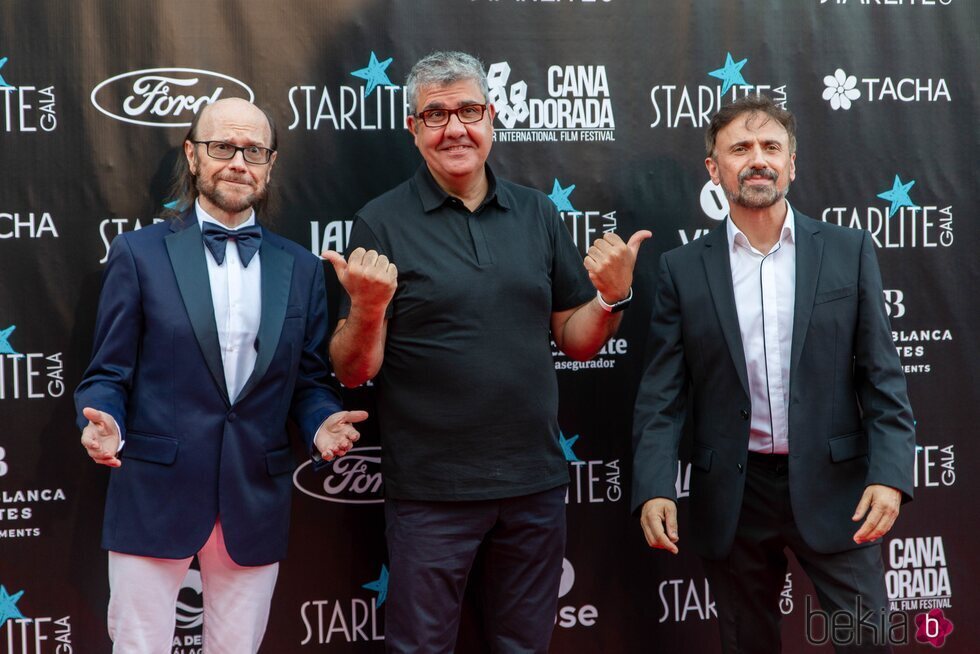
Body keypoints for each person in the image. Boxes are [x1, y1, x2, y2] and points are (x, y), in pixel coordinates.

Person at [321, 51, 649, 653]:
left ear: (493, 117)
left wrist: (610, 298)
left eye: (469, 110)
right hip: (430, 493)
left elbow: (576, 343)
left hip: (534, 486)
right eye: (436, 114)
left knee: (524, 646)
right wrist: (368, 309)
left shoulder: (538, 213)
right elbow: (354, 369)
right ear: (413, 128)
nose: (455, 128)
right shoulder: (380, 222)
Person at [75, 97, 366, 654]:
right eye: (222, 147)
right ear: (192, 155)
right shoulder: (138, 255)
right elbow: (107, 372)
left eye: (253, 150)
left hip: (253, 494)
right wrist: (103, 420)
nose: (238, 161)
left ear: (270, 163)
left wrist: (322, 422)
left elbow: (307, 380)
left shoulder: (301, 268)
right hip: (154, 490)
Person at [632, 95, 915, 653]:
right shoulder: (682, 269)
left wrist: (891, 473)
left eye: (770, 147)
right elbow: (662, 395)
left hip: (837, 488)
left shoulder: (847, 250)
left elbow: (882, 376)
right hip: (735, 492)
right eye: (739, 148)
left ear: (792, 163)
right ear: (714, 169)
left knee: (868, 641)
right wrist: (653, 485)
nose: (756, 159)